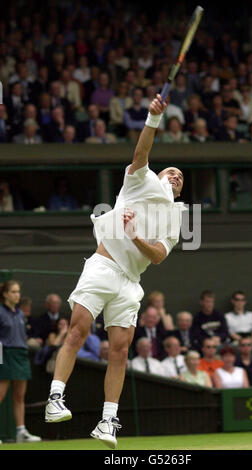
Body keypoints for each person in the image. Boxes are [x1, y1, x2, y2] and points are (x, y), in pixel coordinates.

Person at [45, 93, 185, 449]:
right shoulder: (142, 179)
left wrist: (137, 237)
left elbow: (157, 257)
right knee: (77, 330)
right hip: (103, 266)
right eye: (172, 171)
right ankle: (55, 398)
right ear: (159, 173)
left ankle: (107, 422)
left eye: (181, 177)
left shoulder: (175, 218)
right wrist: (153, 119)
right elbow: (142, 152)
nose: (176, 176)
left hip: (130, 282)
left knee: (120, 351)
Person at [0, 280, 41, 442]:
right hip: (6, 355)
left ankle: (21, 432)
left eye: (18, 292)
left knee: (19, 396)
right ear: (5, 294)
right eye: (13, 292)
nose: (17, 295)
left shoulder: (20, 314)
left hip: (21, 354)